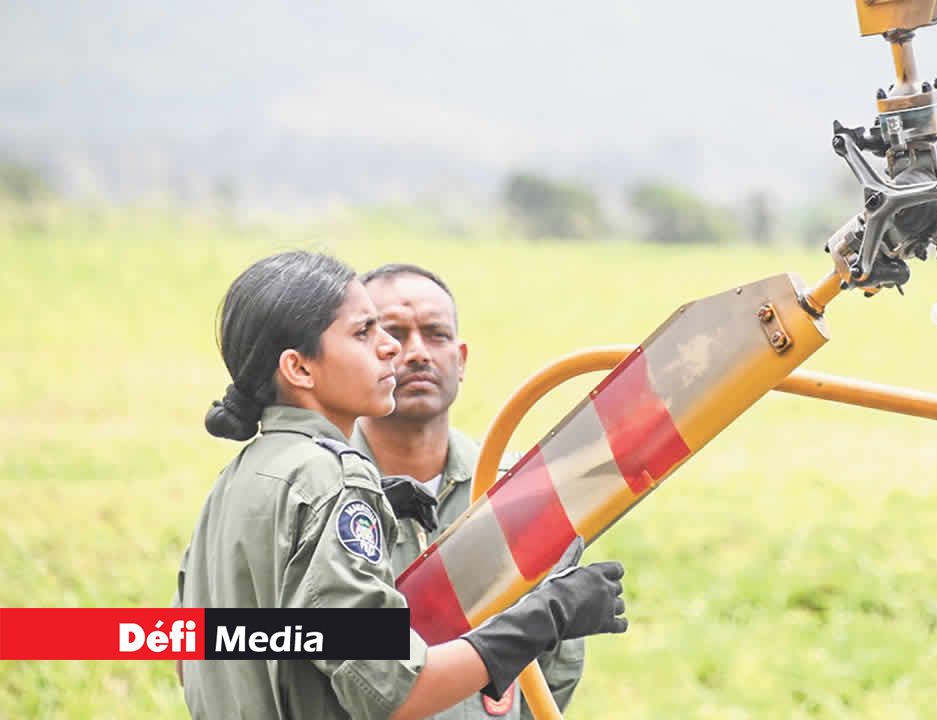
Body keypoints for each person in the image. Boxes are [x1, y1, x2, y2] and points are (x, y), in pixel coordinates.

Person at [175, 251, 628, 719]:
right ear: (300, 369)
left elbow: (189, 651)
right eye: (363, 333)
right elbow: (392, 689)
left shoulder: (238, 479)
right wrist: (549, 614)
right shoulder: (329, 478)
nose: (392, 348)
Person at [351, 263, 586, 719]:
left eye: (436, 335)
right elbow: (190, 640)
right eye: (395, 334)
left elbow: (560, 661)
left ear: (460, 360)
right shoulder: (308, 490)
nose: (417, 353)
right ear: (359, 353)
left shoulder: (519, 492)